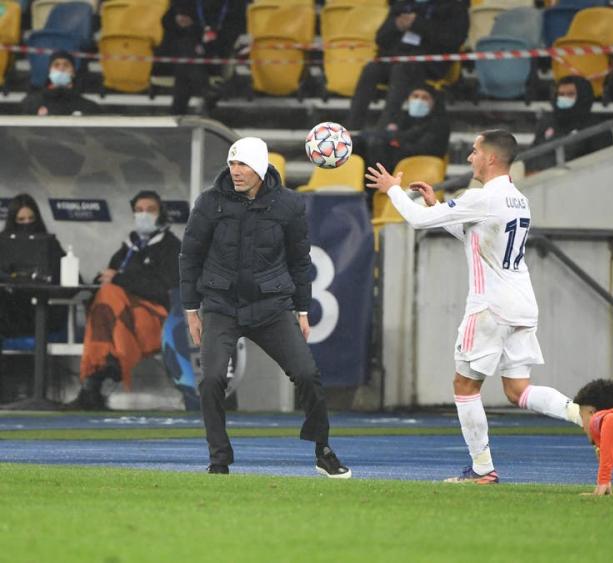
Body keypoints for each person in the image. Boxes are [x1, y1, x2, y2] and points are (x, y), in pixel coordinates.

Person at [365, 129, 583, 484]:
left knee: (465, 386)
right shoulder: (517, 198)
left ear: (491, 158)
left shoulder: (483, 197)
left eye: (475, 151)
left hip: (489, 307)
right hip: (522, 303)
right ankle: (584, 415)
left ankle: (482, 469)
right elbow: (475, 235)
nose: (470, 157)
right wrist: (438, 207)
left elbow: (417, 221)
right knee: (518, 391)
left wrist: (391, 187)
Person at [179, 137, 351, 478]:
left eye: (243, 164)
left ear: (260, 167)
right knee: (211, 378)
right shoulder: (209, 202)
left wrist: (302, 310)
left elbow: (299, 261)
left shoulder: (288, 205)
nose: (236, 171)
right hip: (221, 305)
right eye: (232, 164)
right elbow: (190, 256)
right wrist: (190, 310)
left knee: (307, 374)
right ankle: (219, 459)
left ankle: (323, 449)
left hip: (271, 306)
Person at [65, 191, 181, 410]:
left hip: (157, 319)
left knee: (110, 296)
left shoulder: (172, 248)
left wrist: (119, 278)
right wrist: (103, 279)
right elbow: (108, 279)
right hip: (120, 319)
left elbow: (166, 290)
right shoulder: (128, 248)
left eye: (150, 210)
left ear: (162, 214)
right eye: (138, 211)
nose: (143, 215)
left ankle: (93, 382)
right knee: (107, 297)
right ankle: (107, 367)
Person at [345, 0, 468, 130]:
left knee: (402, 70)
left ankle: (384, 128)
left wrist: (418, 24)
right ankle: (352, 127)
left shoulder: (455, 6)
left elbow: (453, 40)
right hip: (395, 57)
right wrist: (396, 25)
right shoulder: (402, 4)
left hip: (429, 62)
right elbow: (380, 38)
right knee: (371, 69)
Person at [159, 0, 246, 115]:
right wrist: (179, 20)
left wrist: (211, 39)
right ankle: (205, 91)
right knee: (186, 52)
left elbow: (237, 30)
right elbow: (168, 23)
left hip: (217, 53)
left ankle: (178, 111)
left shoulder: (235, 4)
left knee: (185, 65)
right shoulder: (184, 4)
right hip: (191, 50)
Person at [0, 194, 67, 338]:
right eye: (21, 220)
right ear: (13, 220)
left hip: (44, 311)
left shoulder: (50, 245)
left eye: (31, 219)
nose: (27, 224)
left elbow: (69, 279)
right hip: (10, 313)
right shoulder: (3, 244)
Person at [352, 84, 451, 176]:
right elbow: (390, 136)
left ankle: (372, 188)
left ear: (433, 102)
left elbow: (423, 148)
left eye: (425, 98)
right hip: (396, 160)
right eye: (415, 96)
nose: (419, 100)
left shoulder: (439, 124)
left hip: (420, 164)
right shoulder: (402, 118)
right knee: (359, 144)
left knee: (379, 146)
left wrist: (397, 141)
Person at [525, 75, 613, 173]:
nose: (564, 98)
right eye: (561, 94)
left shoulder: (597, 129)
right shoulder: (547, 121)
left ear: (583, 96)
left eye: (570, 94)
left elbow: (604, 166)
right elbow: (532, 152)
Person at [21, 51, 101, 116]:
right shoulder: (31, 103)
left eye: (66, 65)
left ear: (73, 73)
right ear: (49, 72)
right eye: (56, 65)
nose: (61, 68)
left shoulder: (89, 107)